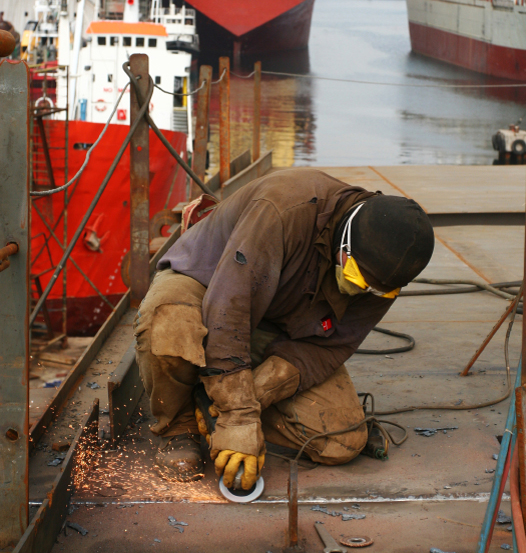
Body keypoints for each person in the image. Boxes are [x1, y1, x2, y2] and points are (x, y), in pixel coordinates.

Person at [134, 168, 434, 490]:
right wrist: (238, 418)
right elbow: (229, 310)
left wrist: (250, 401)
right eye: (357, 280)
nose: (362, 293)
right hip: (208, 285)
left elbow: (325, 348)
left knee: (342, 441)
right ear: (344, 241)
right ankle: (178, 426)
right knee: (166, 324)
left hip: (276, 319)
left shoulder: (385, 275)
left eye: (377, 290)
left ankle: (207, 401)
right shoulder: (283, 208)